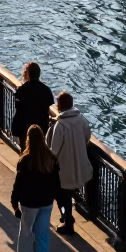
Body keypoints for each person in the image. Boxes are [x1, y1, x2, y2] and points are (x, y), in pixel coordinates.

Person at [11, 123, 62, 252]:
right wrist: (55, 200)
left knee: (25, 233)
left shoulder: (25, 160)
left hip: (29, 204)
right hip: (46, 203)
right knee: (42, 239)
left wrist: (14, 202)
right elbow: (57, 184)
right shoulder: (51, 159)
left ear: (28, 140)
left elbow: (18, 184)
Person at [46, 91, 92, 235]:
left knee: (61, 195)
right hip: (79, 164)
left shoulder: (60, 125)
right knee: (69, 193)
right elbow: (87, 136)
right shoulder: (81, 120)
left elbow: (54, 150)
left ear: (60, 106)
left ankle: (67, 219)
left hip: (63, 169)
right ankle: (67, 217)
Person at [11, 62, 55, 149]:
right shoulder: (46, 90)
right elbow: (49, 106)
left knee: (25, 149)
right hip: (41, 126)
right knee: (39, 149)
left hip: (24, 126)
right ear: (39, 74)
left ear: (28, 74)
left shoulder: (22, 90)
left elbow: (18, 107)